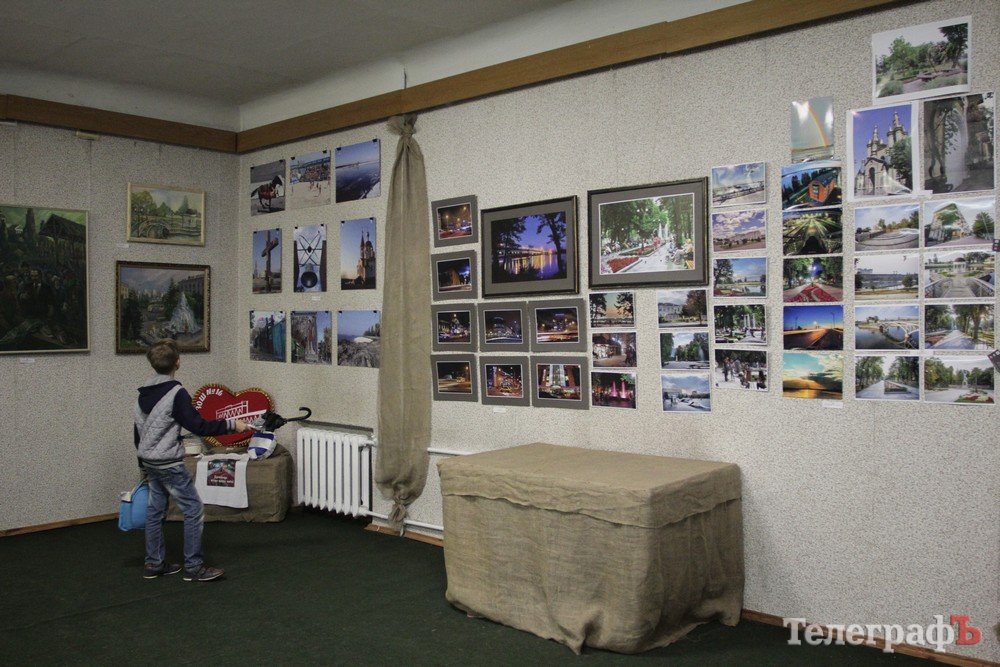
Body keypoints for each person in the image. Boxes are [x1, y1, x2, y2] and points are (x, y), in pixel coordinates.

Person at [134, 339, 249, 582]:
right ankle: (194, 567)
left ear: (152, 364)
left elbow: (139, 431)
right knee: (194, 510)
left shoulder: (143, 392)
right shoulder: (177, 393)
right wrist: (233, 425)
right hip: (169, 463)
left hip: (149, 460)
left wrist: (142, 461)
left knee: (155, 511)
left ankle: (153, 563)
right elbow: (199, 426)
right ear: (178, 362)